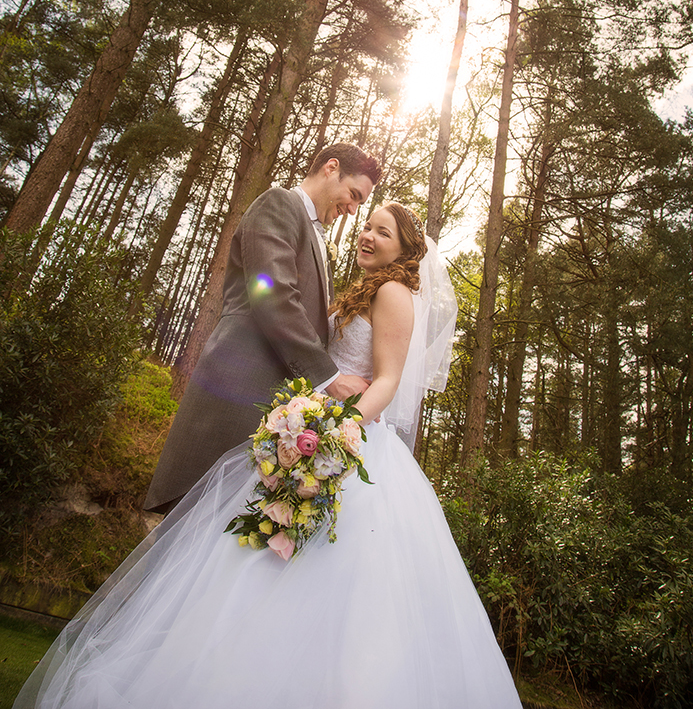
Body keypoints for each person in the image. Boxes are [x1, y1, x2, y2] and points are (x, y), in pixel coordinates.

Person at [14, 202, 523, 709]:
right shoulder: (361, 288)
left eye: (382, 232)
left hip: (346, 443)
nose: (367, 235)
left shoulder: (393, 292)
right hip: (308, 434)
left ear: (405, 249)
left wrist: (336, 434)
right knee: (264, 553)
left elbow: (386, 380)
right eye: (366, 226)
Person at [144, 142, 381, 513]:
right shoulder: (279, 204)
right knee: (183, 530)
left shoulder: (315, 232)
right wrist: (331, 379)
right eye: (353, 195)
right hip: (234, 390)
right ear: (330, 168)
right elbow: (273, 296)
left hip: (270, 415)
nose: (353, 209)